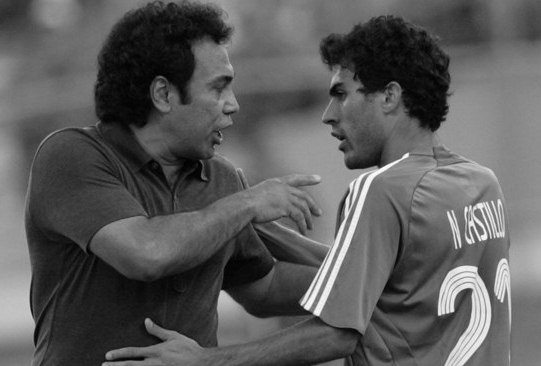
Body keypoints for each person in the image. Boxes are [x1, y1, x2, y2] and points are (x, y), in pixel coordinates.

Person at [103, 15, 512, 366]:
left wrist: (206, 360)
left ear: (389, 96)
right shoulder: (481, 183)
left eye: (341, 94)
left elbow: (338, 334)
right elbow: (378, 274)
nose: (328, 115)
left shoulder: (380, 190)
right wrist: (249, 219)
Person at [24, 1, 329, 365]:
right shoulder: (71, 154)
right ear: (163, 95)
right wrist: (248, 203)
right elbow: (146, 253)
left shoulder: (222, 178)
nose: (232, 105)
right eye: (219, 88)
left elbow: (263, 288)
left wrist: (366, 285)